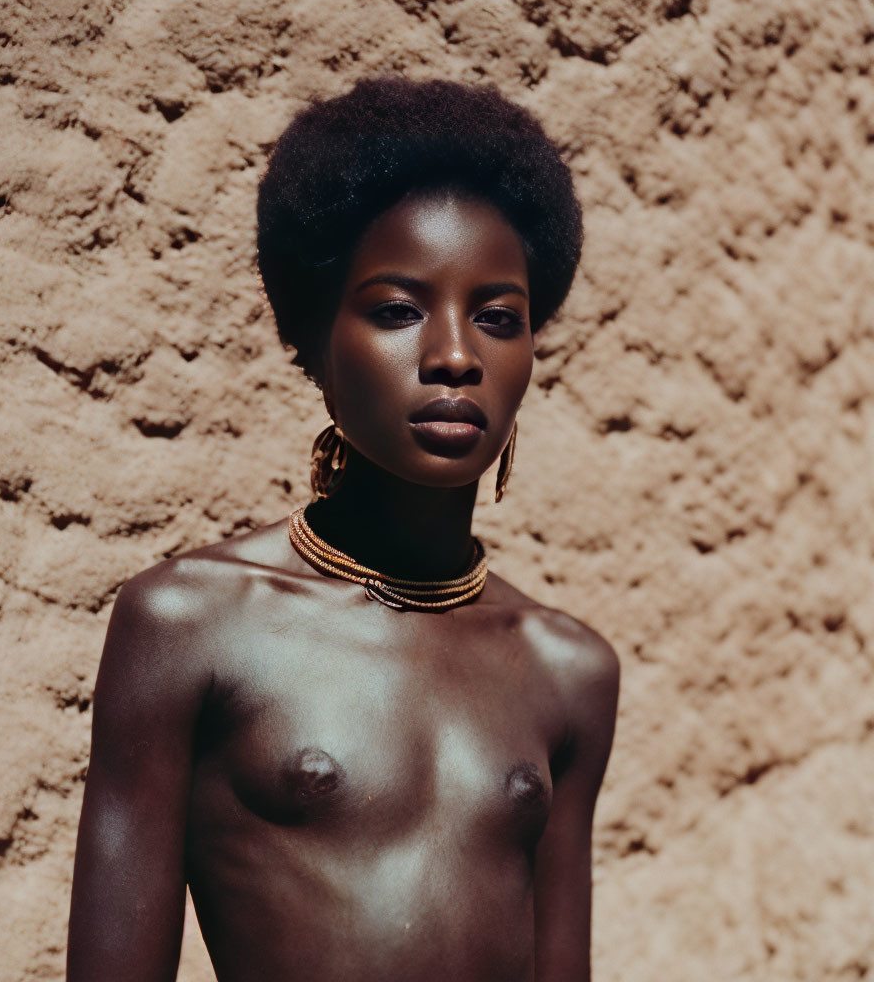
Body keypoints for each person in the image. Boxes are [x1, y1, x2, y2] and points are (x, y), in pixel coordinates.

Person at [67, 77, 620, 982]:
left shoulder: (568, 673)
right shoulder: (191, 625)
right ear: (314, 338)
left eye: (498, 318)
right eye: (398, 311)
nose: (453, 355)